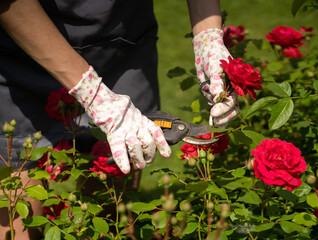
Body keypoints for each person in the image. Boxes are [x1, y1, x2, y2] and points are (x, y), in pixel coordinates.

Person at [0, 0, 238, 238]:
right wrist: (94, 95)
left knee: (110, 217)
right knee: (17, 216)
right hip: (23, 44)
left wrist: (208, 37)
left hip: (121, 45)